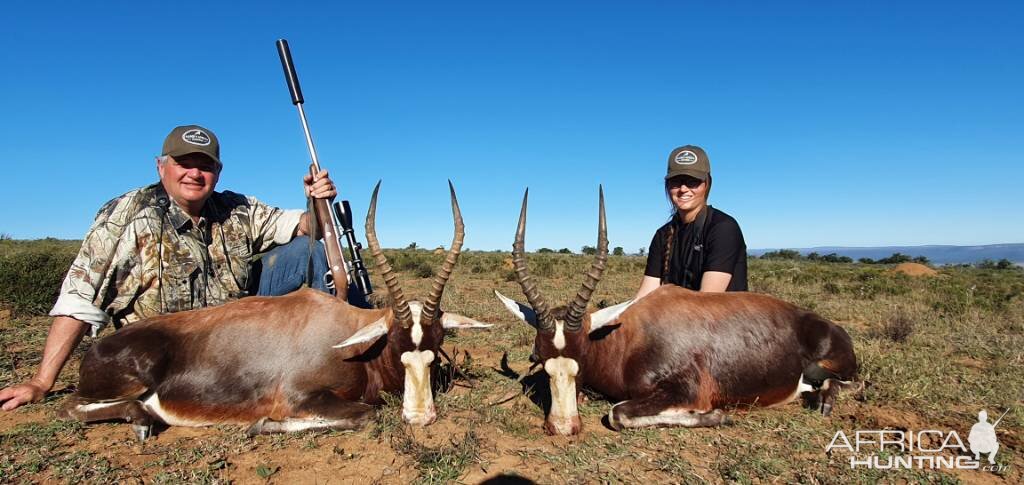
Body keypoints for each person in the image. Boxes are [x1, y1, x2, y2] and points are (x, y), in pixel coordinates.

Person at [0, 124, 340, 410]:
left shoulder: (236, 208)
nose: (195, 173)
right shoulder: (127, 214)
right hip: (170, 350)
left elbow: (308, 226)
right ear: (161, 166)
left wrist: (315, 200)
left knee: (302, 251)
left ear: (217, 172)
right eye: (183, 163)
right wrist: (42, 381)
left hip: (234, 339)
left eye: (205, 166)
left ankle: (335, 362)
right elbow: (79, 299)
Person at [635, 145, 747, 300]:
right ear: (667, 186)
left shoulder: (723, 228)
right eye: (676, 181)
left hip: (719, 320)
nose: (683, 189)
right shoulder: (663, 235)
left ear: (707, 184)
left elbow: (706, 302)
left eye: (692, 181)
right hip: (677, 319)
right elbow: (643, 297)